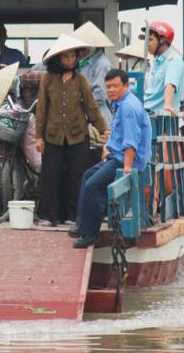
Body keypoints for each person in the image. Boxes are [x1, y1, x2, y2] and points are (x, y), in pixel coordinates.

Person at [70, 69, 152, 248]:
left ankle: (90, 234)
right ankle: (82, 225)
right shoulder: (120, 104)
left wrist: (127, 168)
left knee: (93, 186)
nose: (111, 90)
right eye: (108, 87)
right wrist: (107, 147)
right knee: (86, 176)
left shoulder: (128, 107)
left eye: (115, 86)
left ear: (125, 85)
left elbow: (131, 141)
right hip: (115, 155)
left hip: (125, 160)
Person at [35, 34, 109, 227]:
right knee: (51, 175)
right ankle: (50, 216)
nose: (69, 60)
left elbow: (91, 108)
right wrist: (38, 137)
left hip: (78, 135)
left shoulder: (81, 80)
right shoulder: (47, 79)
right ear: (58, 59)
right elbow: (42, 109)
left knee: (76, 176)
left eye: (72, 56)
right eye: (65, 57)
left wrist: (104, 130)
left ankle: (73, 215)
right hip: (52, 136)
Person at [70, 22, 114, 124]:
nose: (80, 52)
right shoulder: (83, 63)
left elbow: (100, 94)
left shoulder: (102, 64)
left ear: (93, 47)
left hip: (99, 115)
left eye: (82, 49)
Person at [141, 22, 184, 116]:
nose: (147, 44)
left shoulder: (173, 61)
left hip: (159, 119)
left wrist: (168, 105)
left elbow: (170, 85)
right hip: (147, 112)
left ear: (162, 40)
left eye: (150, 39)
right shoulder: (157, 62)